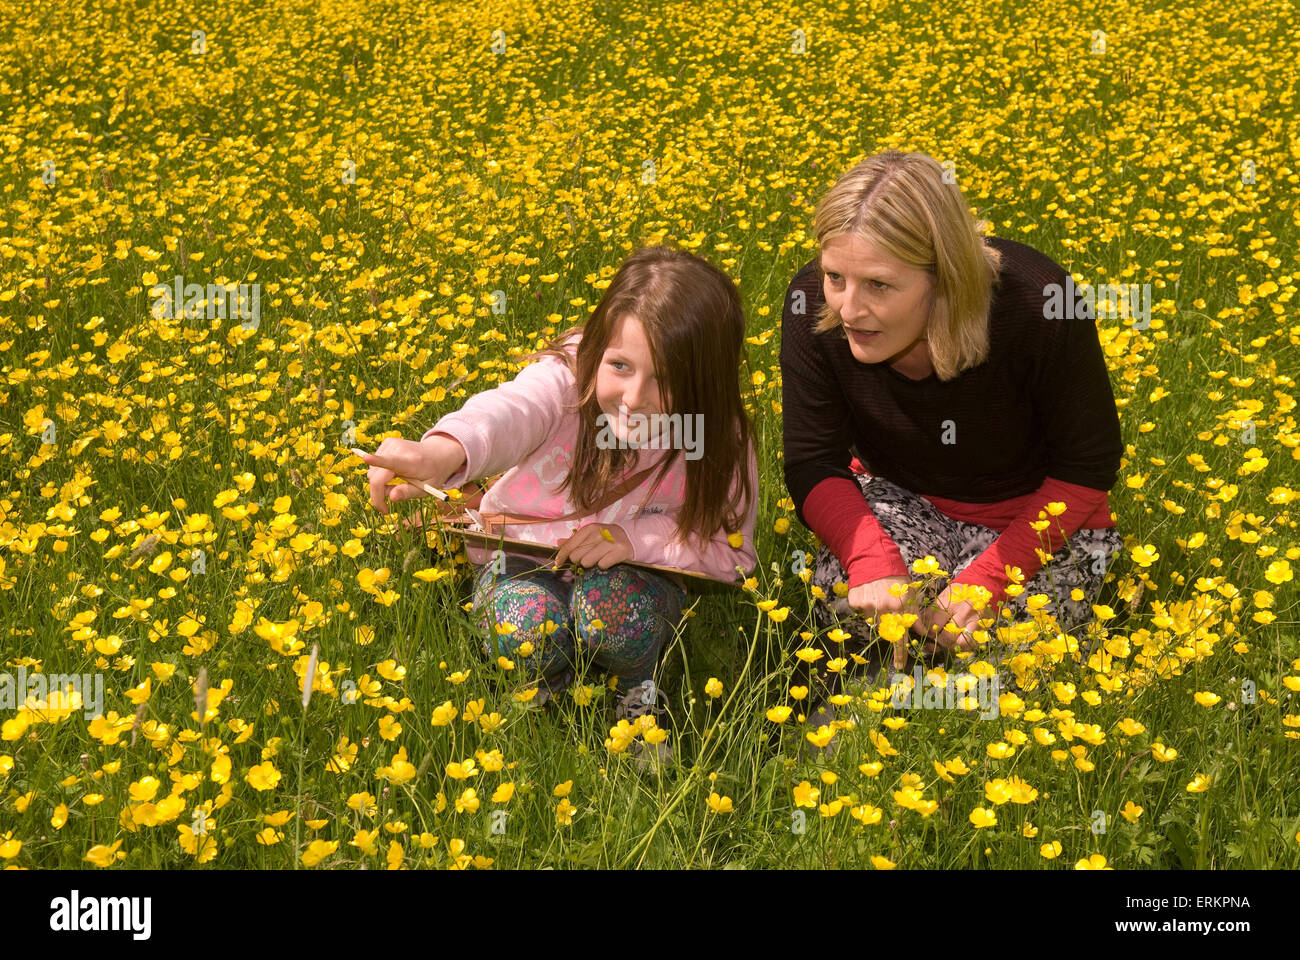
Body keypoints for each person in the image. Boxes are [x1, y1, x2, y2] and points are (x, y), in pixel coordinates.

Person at [362, 246, 759, 742]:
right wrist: (444, 452)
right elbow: (512, 410)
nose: (633, 399)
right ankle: (547, 690)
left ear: (708, 385)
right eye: (619, 366)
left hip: (635, 578)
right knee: (525, 628)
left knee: (610, 613)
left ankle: (636, 694)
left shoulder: (720, 441)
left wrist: (634, 540)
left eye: (666, 380)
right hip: (522, 560)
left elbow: (732, 555)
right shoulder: (567, 381)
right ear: (596, 349)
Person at [780, 150, 1124, 701]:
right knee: (850, 600)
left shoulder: (1040, 305)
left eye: (879, 285)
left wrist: (987, 581)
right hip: (901, 499)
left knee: (1017, 671)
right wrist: (873, 561)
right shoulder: (808, 307)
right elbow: (812, 459)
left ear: (944, 278)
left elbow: (1088, 465)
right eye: (835, 276)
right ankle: (857, 711)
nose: (847, 308)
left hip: (1035, 517)